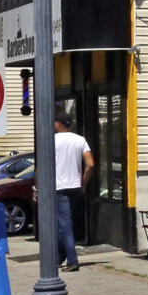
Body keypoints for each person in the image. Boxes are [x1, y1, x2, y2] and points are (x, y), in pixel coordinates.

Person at [50, 114, 93, 273]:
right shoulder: (79, 140)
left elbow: (42, 166)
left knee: (64, 225)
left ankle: (72, 260)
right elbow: (90, 164)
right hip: (75, 186)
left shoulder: (52, 141)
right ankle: (59, 258)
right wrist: (83, 183)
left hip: (59, 186)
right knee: (64, 223)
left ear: (59, 124)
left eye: (55, 122)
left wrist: (36, 188)